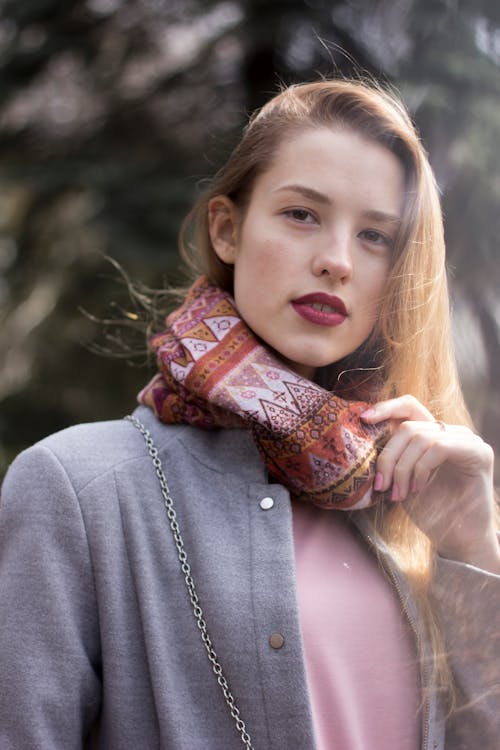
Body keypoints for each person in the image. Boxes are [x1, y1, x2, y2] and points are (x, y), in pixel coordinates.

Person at [0, 79, 498, 750]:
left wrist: (472, 546)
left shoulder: (400, 498)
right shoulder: (79, 488)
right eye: (302, 214)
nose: (337, 261)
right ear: (227, 229)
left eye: (376, 235)